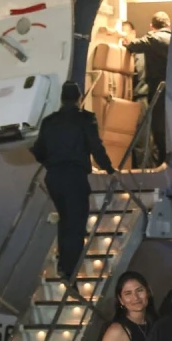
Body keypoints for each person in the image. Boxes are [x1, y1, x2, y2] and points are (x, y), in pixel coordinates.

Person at [31, 82, 116, 288]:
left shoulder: (49, 121)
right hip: (74, 176)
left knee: (65, 221)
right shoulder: (85, 119)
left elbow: (38, 150)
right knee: (76, 225)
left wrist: (51, 162)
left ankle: (63, 266)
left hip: (53, 177)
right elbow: (95, 146)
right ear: (79, 98)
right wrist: (109, 169)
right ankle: (70, 273)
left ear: (61, 99)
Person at [122, 11, 171, 165]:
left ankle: (162, 163)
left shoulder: (153, 39)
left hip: (158, 92)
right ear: (168, 24)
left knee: (157, 130)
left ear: (151, 26)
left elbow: (131, 44)